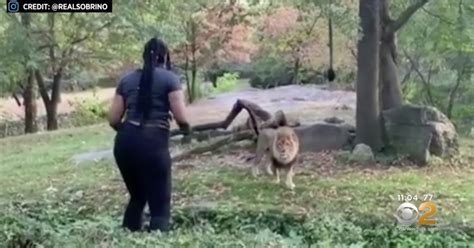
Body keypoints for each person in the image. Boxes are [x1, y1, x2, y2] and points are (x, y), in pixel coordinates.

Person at [106, 37, 190, 232]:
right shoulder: (170, 79)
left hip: (125, 144)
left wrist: (130, 131)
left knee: (137, 196)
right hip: (154, 144)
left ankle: (128, 237)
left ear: (144, 56)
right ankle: (158, 239)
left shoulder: (126, 80)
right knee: (160, 204)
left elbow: (113, 119)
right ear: (164, 57)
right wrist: (187, 130)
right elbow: (181, 117)